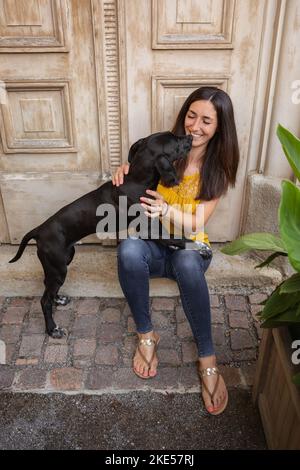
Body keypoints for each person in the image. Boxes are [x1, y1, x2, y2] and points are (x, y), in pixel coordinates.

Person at [112, 86, 239, 415]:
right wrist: (122, 172)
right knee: (128, 249)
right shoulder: (165, 149)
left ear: (219, 128)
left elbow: (196, 224)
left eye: (207, 121)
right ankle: (146, 335)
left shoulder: (218, 168)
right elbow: (134, 175)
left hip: (191, 252)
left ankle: (207, 358)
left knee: (185, 258)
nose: (196, 126)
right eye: (191, 116)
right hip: (155, 246)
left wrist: (167, 210)